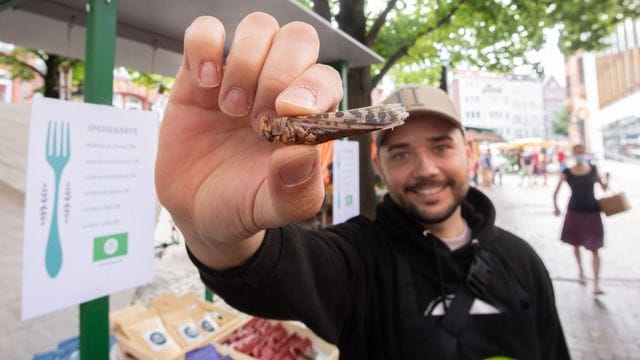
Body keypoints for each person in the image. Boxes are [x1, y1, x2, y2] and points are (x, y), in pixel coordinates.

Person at [155, 14, 570, 359]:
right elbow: (280, 271)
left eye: (441, 147)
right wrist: (213, 235)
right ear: (379, 165)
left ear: (470, 153)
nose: (425, 169)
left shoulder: (522, 262)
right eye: (401, 153)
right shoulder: (359, 257)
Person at [553, 144, 608, 295]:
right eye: (577, 152)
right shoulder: (567, 172)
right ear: (573, 154)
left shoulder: (594, 169)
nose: (580, 155)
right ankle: (581, 272)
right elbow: (555, 191)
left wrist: (606, 179)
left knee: (595, 248)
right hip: (574, 212)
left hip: (592, 212)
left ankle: (596, 283)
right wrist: (556, 206)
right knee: (575, 245)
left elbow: (604, 188)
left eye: (582, 152)